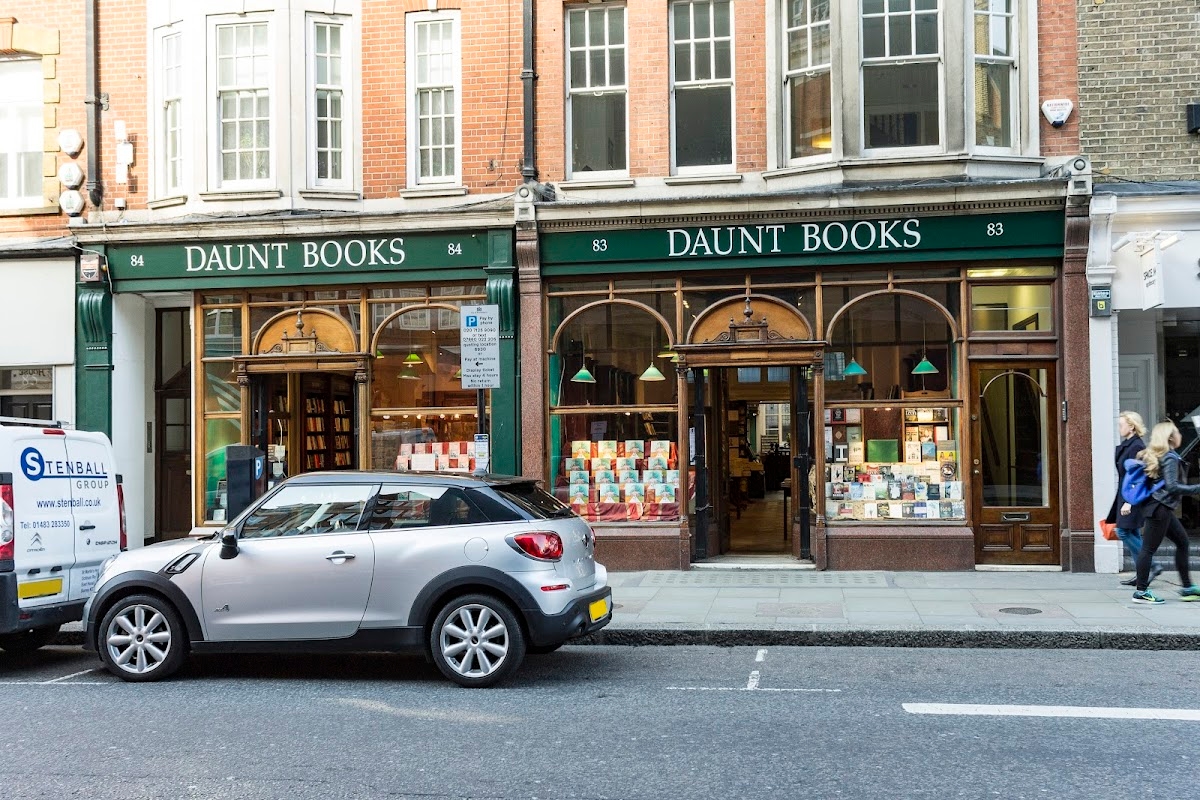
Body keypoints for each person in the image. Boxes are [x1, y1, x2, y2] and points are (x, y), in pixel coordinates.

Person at [1131, 421, 1200, 604]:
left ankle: (1187, 587)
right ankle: (1141, 592)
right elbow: (1172, 486)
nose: (1180, 435)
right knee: (1148, 549)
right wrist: (1196, 488)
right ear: (1170, 437)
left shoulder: (1161, 455)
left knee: (1183, 542)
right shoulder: (1169, 457)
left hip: (1160, 507)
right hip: (1159, 508)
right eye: (1177, 432)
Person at [1106, 411, 1161, 586]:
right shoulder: (1129, 444)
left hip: (1131, 496)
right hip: (1125, 494)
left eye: (1121, 424)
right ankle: (1142, 574)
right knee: (1133, 532)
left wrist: (1129, 502)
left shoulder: (1136, 446)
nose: (1119, 428)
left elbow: (1138, 477)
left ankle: (1152, 566)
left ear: (1131, 426)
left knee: (1123, 531)